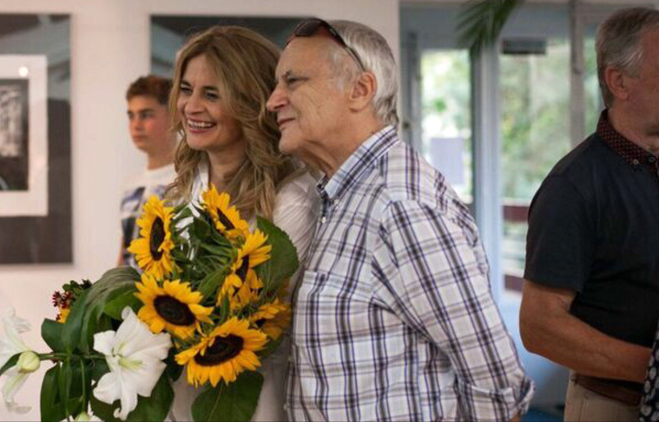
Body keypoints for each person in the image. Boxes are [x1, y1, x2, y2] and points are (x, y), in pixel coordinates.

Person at [267, 18, 533, 421]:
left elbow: (496, 383)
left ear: (360, 90)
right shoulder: (346, 194)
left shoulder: (400, 205)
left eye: (293, 81)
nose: (273, 101)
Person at [165, 26, 318, 422]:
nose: (191, 107)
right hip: (178, 400)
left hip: (256, 401)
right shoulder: (184, 188)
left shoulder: (292, 197)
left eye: (212, 95)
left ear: (251, 102)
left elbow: (257, 316)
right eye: (186, 89)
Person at [519, 7, 659, 422]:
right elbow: (539, 327)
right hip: (614, 405)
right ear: (619, 82)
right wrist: (652, 369)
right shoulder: (573, 185)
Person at [118, 75, 178, 267]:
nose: (136, 125)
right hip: (131, 285)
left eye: (146, 115)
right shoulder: (131, 184)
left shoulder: (187, 180)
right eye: (131, 116)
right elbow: (125, 252)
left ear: (174, 116)